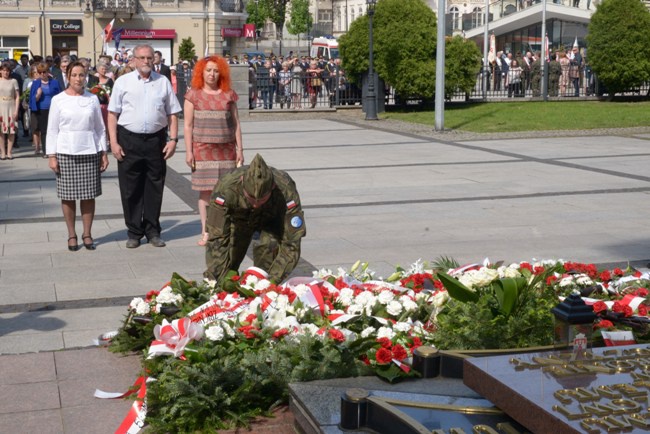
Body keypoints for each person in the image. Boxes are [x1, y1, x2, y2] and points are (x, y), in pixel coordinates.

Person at [107, 44, 182, 248]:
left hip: (155, 140)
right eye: (142, 58)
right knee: (130, 188)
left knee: (154, 186)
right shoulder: (123, 82)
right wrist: (113, 142)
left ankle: (152, 230)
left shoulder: (163, 82)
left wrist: (173, 139)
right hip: (129, 139)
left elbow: (172, 113)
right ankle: (134, 232)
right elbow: (112, 114)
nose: (146, 61)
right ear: (134, 60)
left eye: (149, 58)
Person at [204, 153, 306, 284]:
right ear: (241, 181)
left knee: (269, 250)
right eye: (250, 198)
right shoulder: (225, 187)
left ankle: (260, 289)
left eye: (262, 199)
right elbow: (216, 238)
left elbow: (292, 243)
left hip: (271, 221)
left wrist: (271, 282)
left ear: (273, 187)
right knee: (228, 258)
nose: (256, 204)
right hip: (239, 220)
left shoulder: (286, 188)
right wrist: (219, 280)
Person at [46, 61, 109, 251]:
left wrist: (103, 152)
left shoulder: (92, 99)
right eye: (74, 75)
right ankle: (72, 234)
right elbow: (52, 130)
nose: (78, 78)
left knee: (89, 196)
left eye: (81, 75)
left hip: (89, 151)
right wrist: (52, 155)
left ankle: (87, 233)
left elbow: (100, 128)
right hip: (65, 152)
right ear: (67, 76)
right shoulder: (58, 100)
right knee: (68, 197)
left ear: (86, 77)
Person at [183, 56, 244, 246]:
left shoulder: (229, 94)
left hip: (226, 151)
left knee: (228, 192)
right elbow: (187, 125)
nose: (212, 74)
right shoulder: (193, 95)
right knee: (205, 193)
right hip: (202, 151)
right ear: (201, 72)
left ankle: (227, 230)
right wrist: (188, 151)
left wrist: (240, 149)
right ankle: (206, 230)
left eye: (216, 71)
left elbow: (236, 124)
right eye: (208, 70)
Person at [30, 62, 62, 159]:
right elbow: (32, 98)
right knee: (44, 131)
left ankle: (55, 150)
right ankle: (45, 151)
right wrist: (38, 95)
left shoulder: (54, 82)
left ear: (48, 72)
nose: (42, 74)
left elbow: (60, 96)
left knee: (54, 130)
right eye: (40, 72)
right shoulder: (35, 83)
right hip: (41, 110)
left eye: (44, 72)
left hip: (53, 109)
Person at [0, 63, 21, 160]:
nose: (5, 72)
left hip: (11, 106)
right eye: (3, 70)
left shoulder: (14, 81)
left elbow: (17, 97)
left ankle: (9, 152)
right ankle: (3, 153)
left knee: (11, 131)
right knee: (1, 131)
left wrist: (16, 110)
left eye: (7, 71)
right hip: (1, 107)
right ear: (0, 71)